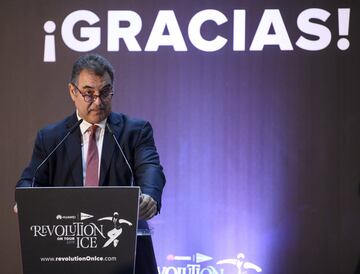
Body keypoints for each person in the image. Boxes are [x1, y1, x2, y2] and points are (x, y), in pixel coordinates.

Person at [15, 53, 166, 273]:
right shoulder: (51, 138)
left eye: (105, 92)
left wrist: (150, 196)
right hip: (68, 250)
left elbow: (151, 168)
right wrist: (26, 200)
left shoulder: (135, 131)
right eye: (88, 94)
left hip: (125, 252)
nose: (98, 101)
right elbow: (30, 180)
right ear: (72, 92)